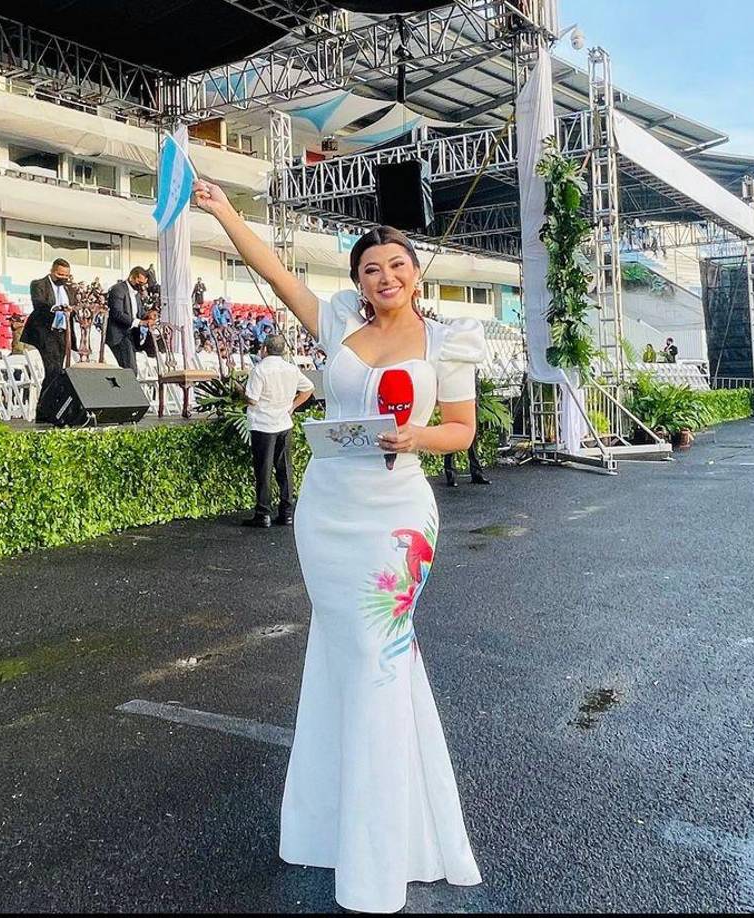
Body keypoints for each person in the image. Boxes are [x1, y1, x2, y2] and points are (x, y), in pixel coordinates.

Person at [193, 178, 483, 913]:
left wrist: (419, 435)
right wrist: (226, 211)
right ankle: (336, 832)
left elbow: (462, 430)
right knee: (341, 657)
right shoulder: (336, 325)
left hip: (398, 514)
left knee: (380, 656)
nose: (384, 278)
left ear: (416, 271)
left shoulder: (446, 341)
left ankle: (383, 853)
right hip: (329, 509)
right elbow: (274, 271)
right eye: (370, 270)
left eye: (396, 266)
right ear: (356, 280)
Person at [243, 334, 314, 528]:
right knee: (284, 468)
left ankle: (263, 512)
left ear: (264, 349)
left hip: (263, 424)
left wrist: (240, 391)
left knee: (264, 470)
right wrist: (292, 406)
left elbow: (252, 399)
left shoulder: (260, 370)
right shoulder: (291, 368)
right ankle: (287, 512)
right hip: (284, 422)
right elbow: (308, 388)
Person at [21, 258, 76, 412]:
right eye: (60, 274)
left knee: (59, 371)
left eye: (66, 275)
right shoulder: (38, 284)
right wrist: (56, 308)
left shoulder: (70, 289)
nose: (63, 278)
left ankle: (52, 406)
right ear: (52, 271)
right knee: (52, 370)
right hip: (44, 332)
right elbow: (38, 305)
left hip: (63, 333)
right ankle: (44, 408)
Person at [105, 266, 155, 374]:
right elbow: (117, 313)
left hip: (132, 336)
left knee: (131, 370)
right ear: (132, 277)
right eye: (140, 282)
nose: (141, 286)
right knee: (130, 370)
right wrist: (140, 322)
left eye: (143, 284)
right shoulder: (118, 289)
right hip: (120, 336)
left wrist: (149, 315)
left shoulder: (136, 294)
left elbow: (140, 314)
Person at [443, 372, 489, 486]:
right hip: (453, 386)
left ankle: (476, 473)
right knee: (451, 431)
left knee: (473, 434)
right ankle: (450, 474)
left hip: (471, 388)